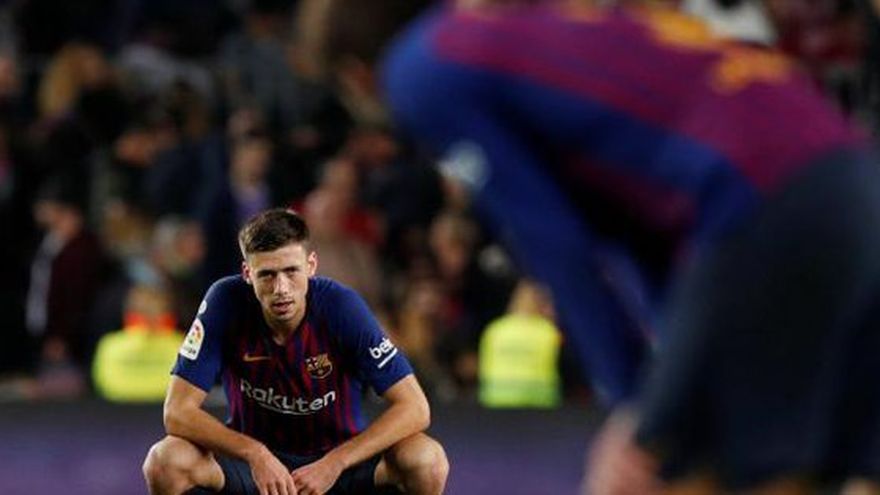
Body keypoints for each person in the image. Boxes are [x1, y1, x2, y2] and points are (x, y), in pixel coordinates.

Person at [315, 1, 880, 493]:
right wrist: (657, 384)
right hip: (848, 177)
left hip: (759, 197)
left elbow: (553, 241)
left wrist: (635, 407)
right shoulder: (520, 36)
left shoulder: (420, 67)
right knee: (807, 468)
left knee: (656, 470)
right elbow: (638, 235)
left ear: (355, 73)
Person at [142, 208, 448, 495]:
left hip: (339, 468)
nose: (281, 289)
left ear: (311, 266)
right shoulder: (224, 302)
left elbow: (415, 408)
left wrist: (336, 462)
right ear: (247, 273)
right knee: (165, 460)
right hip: (254, 470)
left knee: (426, 459)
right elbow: (177, 412)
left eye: (291, 271)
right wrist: (255, 453)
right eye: (267, 275)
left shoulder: (342, 307)